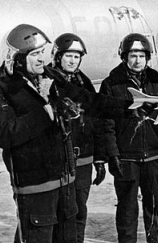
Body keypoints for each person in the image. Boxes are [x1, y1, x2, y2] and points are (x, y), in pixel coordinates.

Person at [0, 24, 130, 243]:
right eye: (35, 54)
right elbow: (3, 134)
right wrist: (46, 112)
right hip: (35, 189)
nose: (42, 59)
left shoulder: (51, 79)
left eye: (43, 53)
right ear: (19, 58)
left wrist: (131, 107)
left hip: (66, 183)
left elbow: (88, 100)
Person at [99, 33, 158, 243]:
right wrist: (113, 154)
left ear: (147, 57)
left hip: (153, 155)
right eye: (133, 55)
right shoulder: (112, 84)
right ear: (124, 57)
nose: (137, 60)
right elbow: (107, 124)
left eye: (141, 55)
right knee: (127, 207)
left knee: (154, 206)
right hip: (127, 158)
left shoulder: (156, 81)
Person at [50, 33, 106, 243]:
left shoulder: (85, 83)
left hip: (83, 160)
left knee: (79, 211)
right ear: (58, 57)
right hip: (59, 162)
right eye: (68, 56)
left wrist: (100, 159)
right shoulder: (49, 84)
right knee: (56, 213)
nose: (73, 61)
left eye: (76, 57)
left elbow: (97, 122)